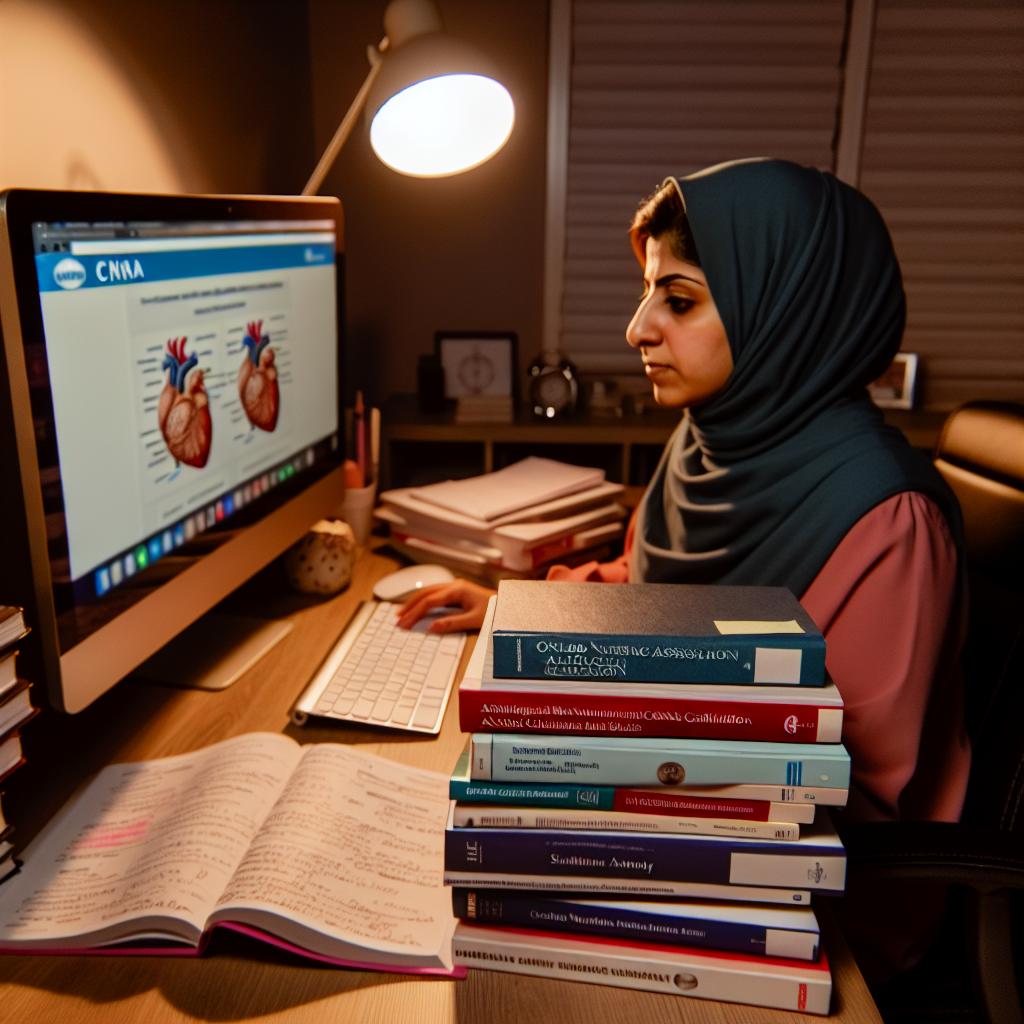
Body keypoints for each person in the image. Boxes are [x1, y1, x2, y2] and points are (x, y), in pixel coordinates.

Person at [398, 156, 970, 834]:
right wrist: (519, 615)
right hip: (669, 812)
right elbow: (654, 606)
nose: (637, 329)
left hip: (816, 891)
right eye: (646, 295)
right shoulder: (700, 445)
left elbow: (859, 797)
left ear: (786, 310)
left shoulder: (891, 520)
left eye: (679, 300)